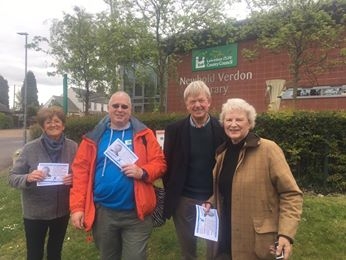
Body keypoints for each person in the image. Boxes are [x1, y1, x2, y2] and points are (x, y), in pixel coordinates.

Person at [70, 91, 166, 260]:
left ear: (130, 110)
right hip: (104, 213)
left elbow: (160, 163)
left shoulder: (145, 135)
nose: (120, 110)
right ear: (108, 109)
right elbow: (80, 174)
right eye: (115, 106)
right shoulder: (94, 138)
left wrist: (143, 172)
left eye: (124, 106)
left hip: (137, 214)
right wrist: (77, 208)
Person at [203, 98, 303, 260]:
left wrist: (286, 234)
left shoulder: (268, 150)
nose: (233, 124)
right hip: (224, 239)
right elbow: (227, 189)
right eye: (229, 120)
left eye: (239, 119)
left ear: (249, 123)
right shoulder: (222, 153)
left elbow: (291, 194)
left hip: (257, 244)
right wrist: (211, 201)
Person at [163, 80, 226, 260]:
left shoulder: (222, 129)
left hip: (213, 199)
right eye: (192, 101)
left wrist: (216, 196)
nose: (197, 105)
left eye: (201, 100)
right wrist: (174, 191)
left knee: (214, 249)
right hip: (184, 199)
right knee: (187, 249)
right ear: (186, 104)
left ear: (209, 101)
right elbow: (168, 165)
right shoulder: (174, 130)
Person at [9, 106, 78, 260]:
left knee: (55, 252)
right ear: (42, 126)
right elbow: (12, 177)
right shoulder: (29, 148)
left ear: (63, 124)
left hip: (61, 211)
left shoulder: (73, 147)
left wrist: (74, 178)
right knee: (34, 254)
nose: (53, 125)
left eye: (57, 121)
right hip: (35, 213)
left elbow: (80, 173)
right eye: (48, 122)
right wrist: (28, 177)